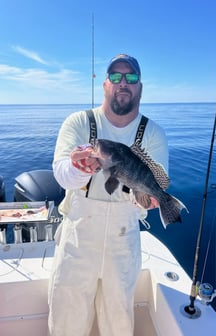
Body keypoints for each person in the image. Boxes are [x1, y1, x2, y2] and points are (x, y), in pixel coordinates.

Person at [48, 53, 168, 336]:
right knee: (67, 315)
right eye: (115, 76)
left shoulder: (153, 133)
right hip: (78, 237)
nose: (122, 82)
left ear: (140, 87)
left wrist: (151, 199)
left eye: (131, 77)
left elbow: (156, 183)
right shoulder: (79, 121)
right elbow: (61, 172)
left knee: (118, 318)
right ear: (105, 85)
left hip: (124, 240)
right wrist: (80, 168)